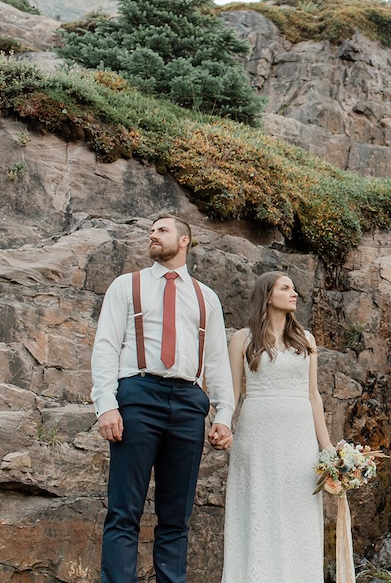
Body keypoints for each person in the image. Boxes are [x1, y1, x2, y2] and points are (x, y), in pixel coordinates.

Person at [91, 214, 236, 583]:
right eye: (151, 231)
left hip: (189, 401)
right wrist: (106, 405)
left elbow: (217, 359)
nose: (152, 235)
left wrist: (224, 414)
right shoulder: (127, 285)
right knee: (124, 511)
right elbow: (106, 345)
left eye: (161, 230)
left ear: (184, 241)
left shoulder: (207, 298)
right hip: (138, 394)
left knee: (176, 517)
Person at [222, 271, 333, 583]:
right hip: (257, 435)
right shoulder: (242, 339)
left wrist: (326, 448)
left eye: (294, 288)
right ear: (267, 296)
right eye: (286, 288)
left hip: (299, 439)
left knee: (298, 512)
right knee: (258, 508)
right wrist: (223, 425)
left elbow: (314, 395)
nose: (294, 293)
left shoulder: (306, 340)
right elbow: (232, 392)